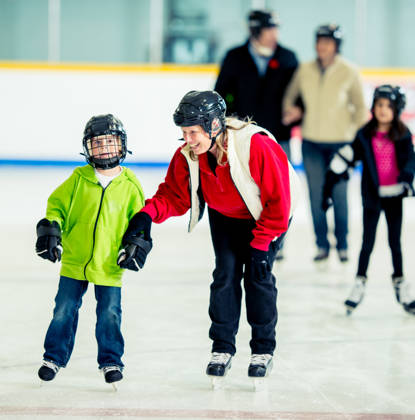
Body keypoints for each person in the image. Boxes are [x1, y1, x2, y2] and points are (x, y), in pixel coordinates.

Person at [119, 90, 300, 387]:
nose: (188, 140)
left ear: (214, 125)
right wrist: (146, 216)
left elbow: (279, 202)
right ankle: (222, 347)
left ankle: (262, 350)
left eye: (193, 132)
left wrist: (261, 245)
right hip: (226, 216)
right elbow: (174, 196)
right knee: (225, 276)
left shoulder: (255, 146)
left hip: (266, 216)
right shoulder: (189, 155)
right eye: (184, 133)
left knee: (258, 277)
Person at [35, 114, 148, 387]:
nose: (104, 148)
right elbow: (56, 207)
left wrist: (136, 244)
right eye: (97, 143)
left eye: (110, 142)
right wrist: (51, 230)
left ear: (122, 145)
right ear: (88, 148)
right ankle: (53, 357)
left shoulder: (131, 186)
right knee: (63, 309)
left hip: (110, 264)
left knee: (109, 313)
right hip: (75, 260)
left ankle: (111, 361)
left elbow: (140, 223)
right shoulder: (78, 178)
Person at [322, 85, 415, 315]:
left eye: (389, 106)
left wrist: (407, 175)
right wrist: (330, 183)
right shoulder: (364, 134)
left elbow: (410, 160)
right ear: (373, 107)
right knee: (367, 243)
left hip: (394, 196)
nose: (383, 110)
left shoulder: (403, 135)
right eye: (380, 105)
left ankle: (401, 283)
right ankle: (359, 282)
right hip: (372, 197)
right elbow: (348, 157)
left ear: (397, 109)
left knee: (395, 243)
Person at [214, 9, 298, 261]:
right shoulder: (234, 57)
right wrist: (227, 124)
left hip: (277, 138)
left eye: (276, 28)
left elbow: (299, 95)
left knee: (279, 189)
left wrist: (298, 111)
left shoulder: (287, 58)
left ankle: (276, 238)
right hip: (241, 138)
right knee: (245, 186)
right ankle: (248, 236)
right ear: (255, 31)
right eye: (269, 29)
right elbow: (221, 95)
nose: (275, 34)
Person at [283, 23, 367, 264]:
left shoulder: (349, 71)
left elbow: (361, 109)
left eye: (328, 42)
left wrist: (354, 138)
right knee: (316, 196)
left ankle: (342, 244)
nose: (322, 46)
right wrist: (292, 110)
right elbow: (291, 96)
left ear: (336, 46)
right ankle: (321, 245)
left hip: (341, 145)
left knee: (339, 195)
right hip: (311, 143)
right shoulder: (305, 69)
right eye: (319, 41)